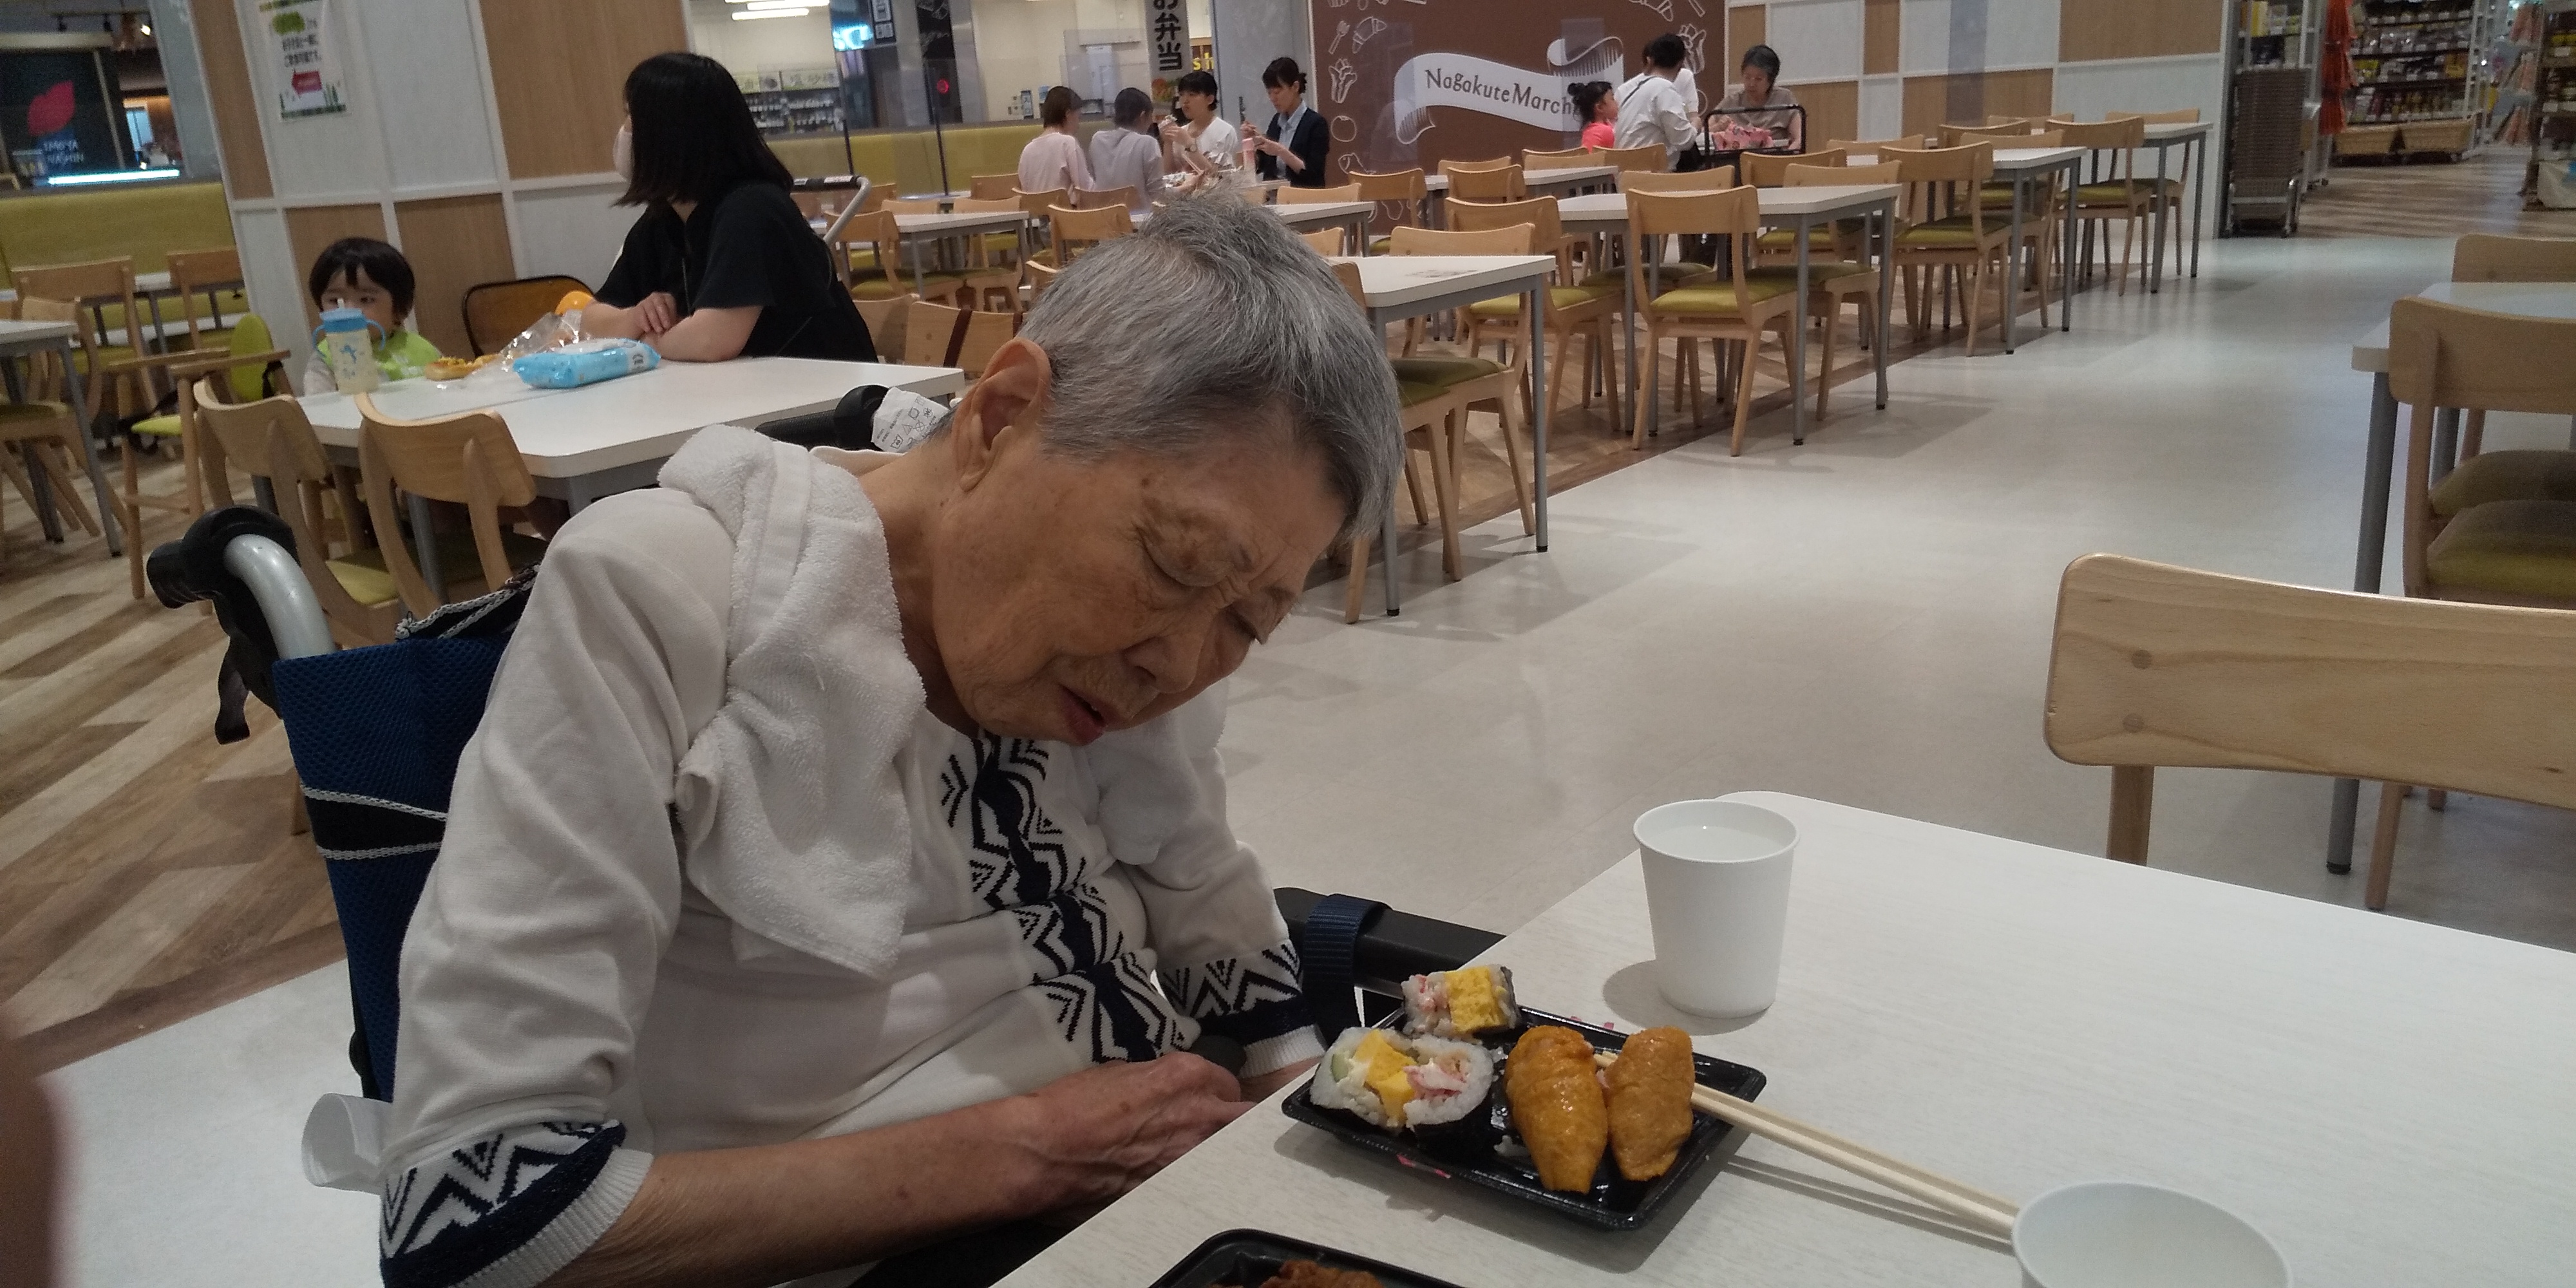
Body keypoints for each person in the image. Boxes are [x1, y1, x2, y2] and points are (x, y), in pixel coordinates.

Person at [370, 194, 1403, 1288]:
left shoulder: (1131, 652)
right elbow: (467, 1224)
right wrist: (1029, 1153)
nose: (1179, 666)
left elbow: (1200, 885)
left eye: (1247, 623)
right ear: (1001, 417)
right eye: (1174, 564)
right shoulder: (665, 603)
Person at [585, 52, 874, 363]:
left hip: (822, 389)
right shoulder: (664, 220)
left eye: (631, 117)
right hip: (740, 386)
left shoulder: (753, 209)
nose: (624, 131)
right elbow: (590, 318)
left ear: (670, 135)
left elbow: (711, 341)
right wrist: (636, 317)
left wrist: (642, 340)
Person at [297, 238, 442, 395]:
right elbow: (318, 408)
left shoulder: (423, 349)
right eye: (335, 301)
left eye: (366, 300)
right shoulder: (324, 360)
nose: (349, 311)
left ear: (400, 308)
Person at [1613, 34, 1698, 167]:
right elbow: (1684, 141)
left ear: (1650, 61)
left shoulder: (1631, 90)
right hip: (1651, 174)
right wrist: (1696, 125)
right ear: (1680, 64)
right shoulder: (1665, 89)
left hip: (1625, 173)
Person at [1246, 57, 1329, 187]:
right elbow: (1261, 166)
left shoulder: (1316, 124)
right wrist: (1251, 143)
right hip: (1273, 193)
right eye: (1269, 93)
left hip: (1302, 193)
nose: (1273, 98)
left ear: (1295, 87)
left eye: (1277, 92)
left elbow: (1314, 175)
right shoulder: (1276, 121)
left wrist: (1281, 151)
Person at [1709, 44, 1803, 152]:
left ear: (1771, 80)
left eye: (1759, 79)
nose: (1752, 84)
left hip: (1773, 158)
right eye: (1747, 77)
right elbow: (1704, 133)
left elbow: (1799, 139)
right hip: (1737, 159)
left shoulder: (1785, 98)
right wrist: (1718, 127)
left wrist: (1786, 156)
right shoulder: (1732, 101)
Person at [1160, 70, 1239, 191]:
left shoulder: (1225, 131)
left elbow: (1216, 177)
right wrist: (1167, 143)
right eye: (1181, 95)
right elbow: (1170, 176)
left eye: (1192, 95)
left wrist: (1190, 145)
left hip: (1216, 197)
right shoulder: (1181, 132)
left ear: (1210, 99)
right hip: (1184, 198)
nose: (1185, 100)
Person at [1089, 87, 1167, 209]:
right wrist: (1185, 188)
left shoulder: (1097, 140)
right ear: (1143, 116)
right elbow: (1159, 196)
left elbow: (1095, 179)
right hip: (1141, 218)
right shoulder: (1147, 143)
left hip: (1105, 216)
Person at [1018, 85, 1092, 194]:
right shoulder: (1068, 143)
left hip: (1036, 206)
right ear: (1068, 114)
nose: (1078, 125)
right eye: (1078, 117)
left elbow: (1025, 190)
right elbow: (1086, 189)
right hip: (1065, 206)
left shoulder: (1027, 151)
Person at [1573, 80, 1618, 151]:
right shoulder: (1601, 131)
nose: (1617, 102)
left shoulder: (1606, 127)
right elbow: (1589, 157)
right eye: (1612, 99)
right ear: (1600, 108)